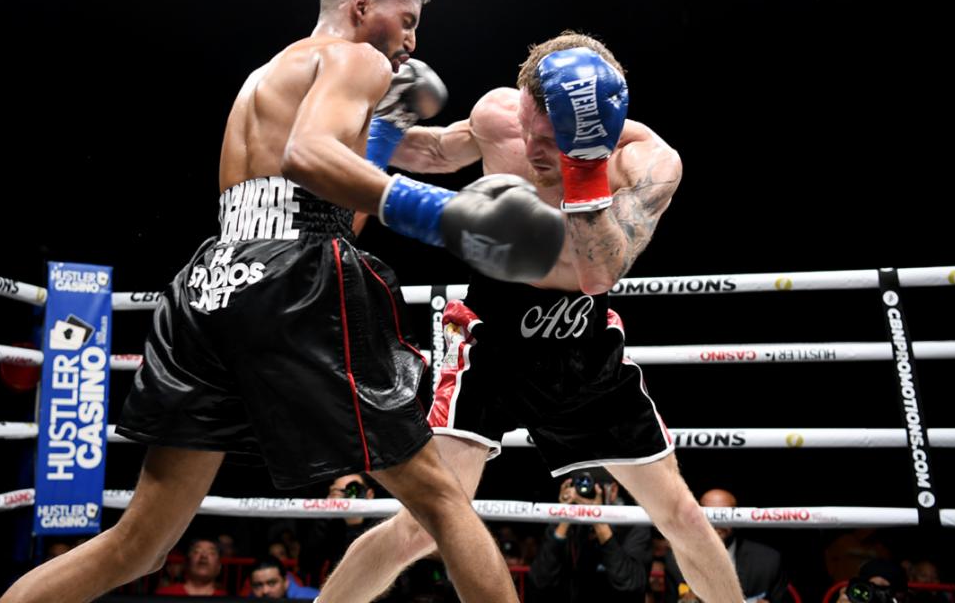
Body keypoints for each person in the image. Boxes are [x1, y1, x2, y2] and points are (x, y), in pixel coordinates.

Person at [0, 0, 564, 603]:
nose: (413, 40)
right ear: (361, 5)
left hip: (213, 281)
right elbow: (308, 157)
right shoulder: (356, 59)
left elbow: (315, 204)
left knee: (139, 543)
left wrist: (384, 137)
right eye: (407, 19)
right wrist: (442, 213)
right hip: (295, 280)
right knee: (440, 500)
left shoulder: (267, 76)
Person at [318, 30, 743, 603]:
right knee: (421, 525)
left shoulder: (646, 161)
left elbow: (600, 272)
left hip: (581, 345)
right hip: (491, 339)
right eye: (528, 129)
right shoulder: (499, 115)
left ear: (596, 130)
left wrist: (585, 166)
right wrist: (380, 123)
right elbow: (437, 152)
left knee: (682, 516)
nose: (533, 148)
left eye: (551, 139)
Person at [529, 469, 651, 603]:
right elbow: (540, 580)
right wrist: (564, 517)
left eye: (593, 486)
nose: (586, 492)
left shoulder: (632, 525)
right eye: (580, 486)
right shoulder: (567, 526)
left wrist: (598, 521)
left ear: (613, 491)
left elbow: (631, 583)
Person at [663, 489, 790, 603]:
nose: (716, 522)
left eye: (724, 514)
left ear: (737, 517)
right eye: (709, 514)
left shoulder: (768, 561)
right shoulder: (676, 560)